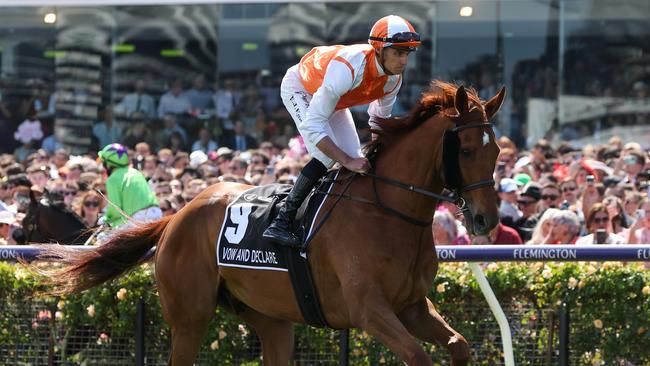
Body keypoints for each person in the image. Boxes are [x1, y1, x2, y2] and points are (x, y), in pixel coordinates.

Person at [263, 15, 421, 247]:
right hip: (301, 88)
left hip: (333, 101)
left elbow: (379, 122)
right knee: (328, 155)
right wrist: (346, 159)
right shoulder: (349, 68)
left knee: (356, 157)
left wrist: (371, 156)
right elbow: (313, 126)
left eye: (407, 53)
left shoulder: (393, 80)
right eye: (398, 52)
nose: (404, 61)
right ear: (378, 49)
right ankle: (281, 220)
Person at [97, 143, 161, 228]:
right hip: (156, 213)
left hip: (138, 217)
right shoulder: (136, 172)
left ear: (108, 163)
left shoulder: (112, 179)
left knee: (102, 239)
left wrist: (105, 219)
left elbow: (116, 210)